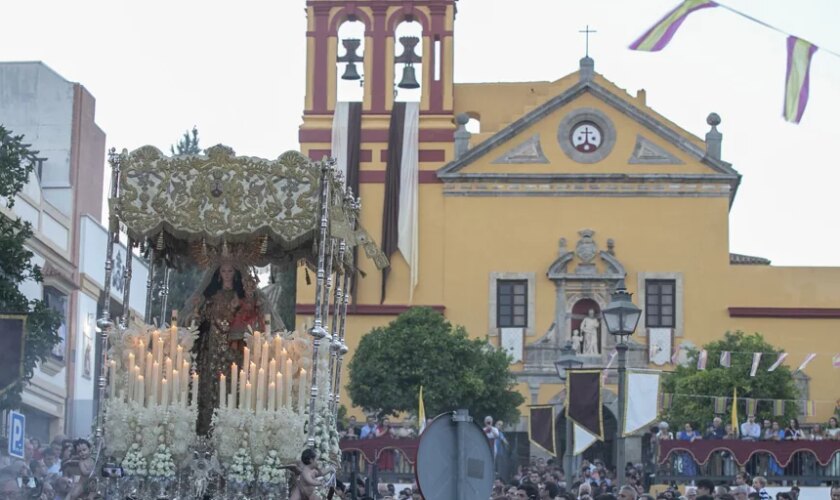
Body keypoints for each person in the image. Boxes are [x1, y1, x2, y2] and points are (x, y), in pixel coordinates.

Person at [188, 262, 260, 435]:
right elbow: (201, 318)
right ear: (219, 274)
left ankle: (229, 430)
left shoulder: (241, 297)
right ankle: (205, 429)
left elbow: (248, 316)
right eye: (224, 270)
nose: (227, 274)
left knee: (230, 384)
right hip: (212, 346)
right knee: (209, 384)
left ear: (234, 274)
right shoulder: (212, 296)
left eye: (230, 270)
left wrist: (242, 301)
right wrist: (197, 310)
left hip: (232, 348)